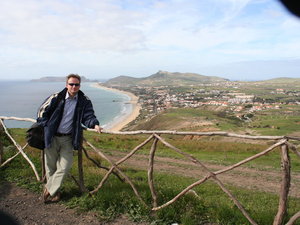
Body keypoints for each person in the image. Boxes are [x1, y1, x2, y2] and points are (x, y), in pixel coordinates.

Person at [37, 74, 102, 203]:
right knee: (50, 167)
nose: (73, 87)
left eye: (76, 84)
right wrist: (46, 126)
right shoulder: (56, 97)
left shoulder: (84, 100)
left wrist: (94, 124)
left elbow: (88, 116)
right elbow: (41, 112)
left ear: (79, 86)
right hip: (52, 137)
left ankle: (48, 190)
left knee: (65, 167)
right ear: (66, 85)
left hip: (68, 138)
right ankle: (55, 193)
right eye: (71, 84)